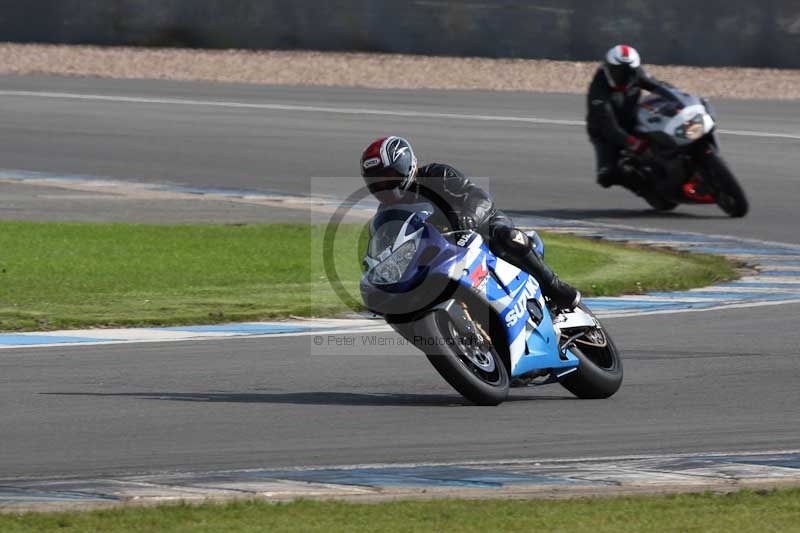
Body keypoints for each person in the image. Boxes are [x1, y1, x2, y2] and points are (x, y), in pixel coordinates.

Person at [360, 136, 580, 310]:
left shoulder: (437, 175)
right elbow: (383, 250)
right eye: (376, 183)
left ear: (405, 166)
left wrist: (469, 216)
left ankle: (555, 287)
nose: (383, 187)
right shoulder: (387, 214)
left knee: (508, 238)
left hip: (479, 228)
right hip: (441, 254)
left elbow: (479, 197)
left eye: (387, 178)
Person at [587, 44, 682, 189]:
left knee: (664, 134)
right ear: (608, 67)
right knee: (606, 176)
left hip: (632, 119)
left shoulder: (636, 74)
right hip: (604, 131)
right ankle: (644, 189)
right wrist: (633, 143)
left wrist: (679, 99)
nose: (623, 77)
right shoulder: (598, 90)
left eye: (628, 72)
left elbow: (658, 86)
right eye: (618, 72)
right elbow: (608, 126)